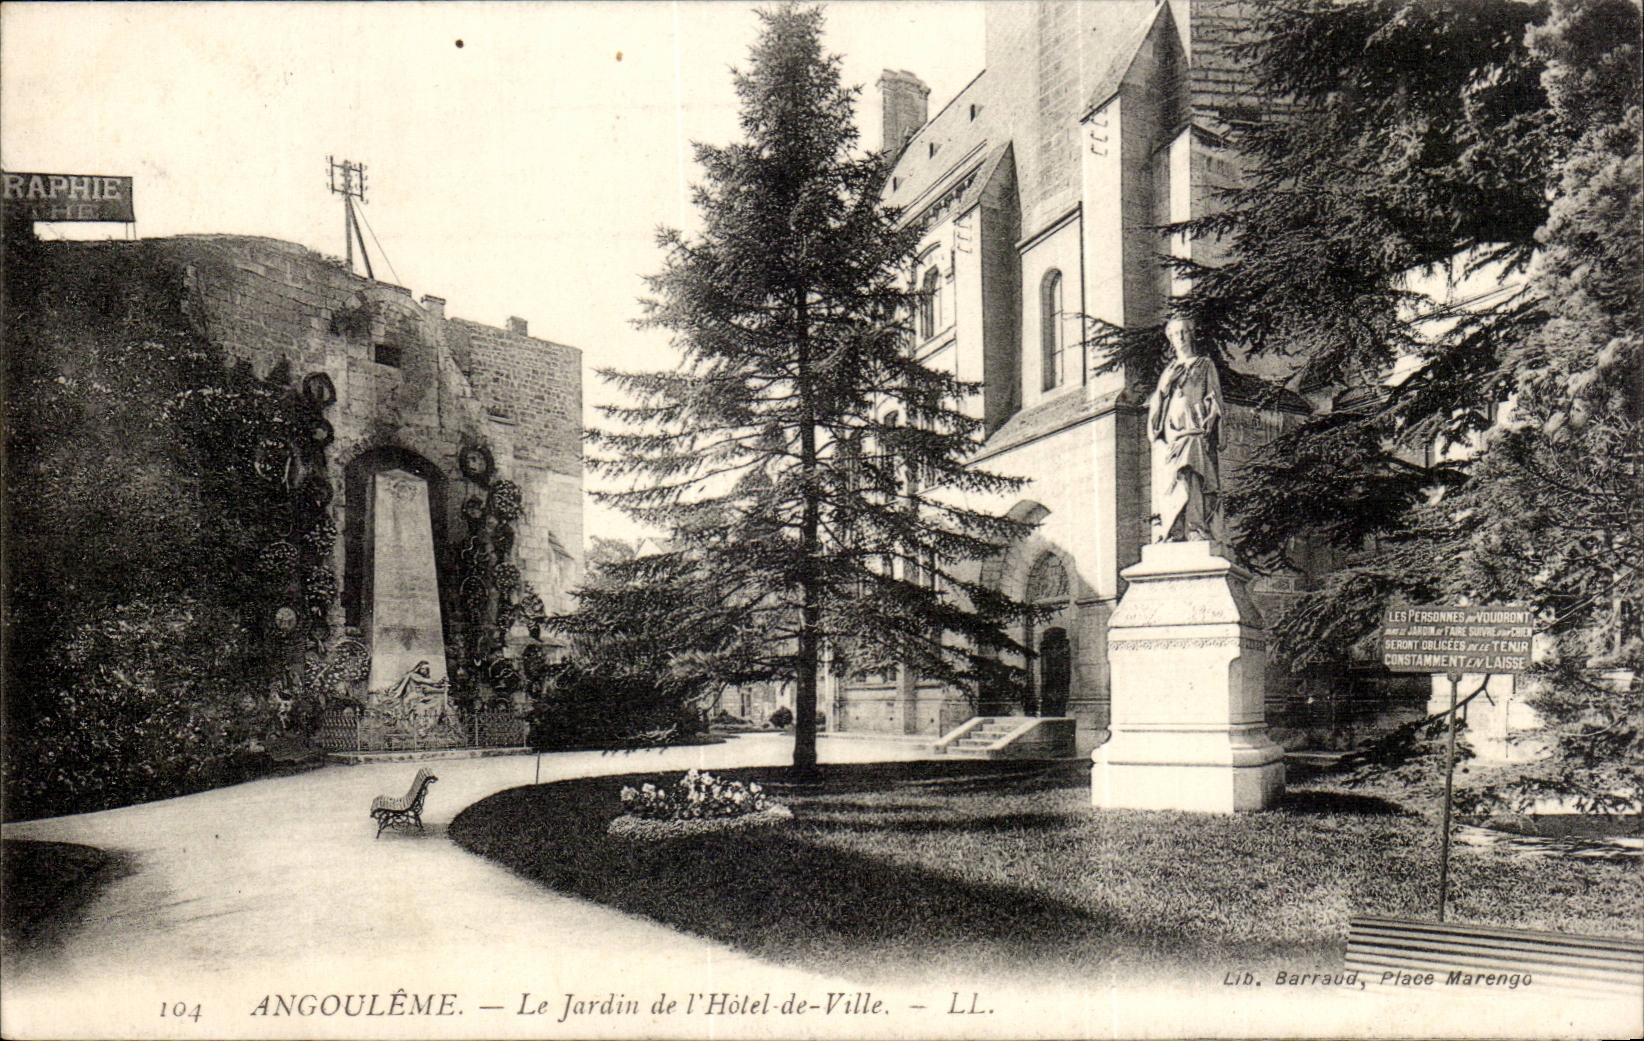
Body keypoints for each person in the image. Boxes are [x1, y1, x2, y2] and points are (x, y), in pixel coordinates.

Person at [1147, 316, 1223, 542]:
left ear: (1192, 334)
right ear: (1170, 339)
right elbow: (1157, 404)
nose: (1180, 337)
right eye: (1175, 334)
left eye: (1184, 332)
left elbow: (1214, 396)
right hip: (1172, 434)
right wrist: (1166, 384)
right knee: (1174, 480)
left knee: (1193, 476)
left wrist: (1211, 418)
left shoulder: (1204, 364)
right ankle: (1173, 529)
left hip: (1195, 430)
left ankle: (1196, 528)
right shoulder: (1168, 370)